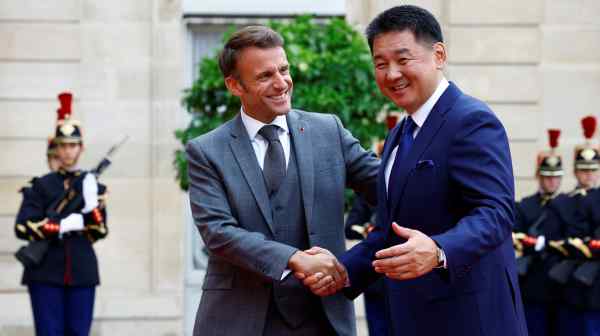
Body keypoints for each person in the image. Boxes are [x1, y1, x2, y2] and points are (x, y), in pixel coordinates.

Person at [302, 5, 527, 335]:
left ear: (438, 55)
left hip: (470, 318)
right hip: (412, 318)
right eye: (381, 64)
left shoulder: (471, 120)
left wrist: (439, 251)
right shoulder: (399, 134)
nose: (391, 74)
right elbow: (392, 230)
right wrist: (343, 271)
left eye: (403, 59)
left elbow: (495, 213)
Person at [185, 26, 379, 336]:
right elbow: (218, 232)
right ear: (235, 85)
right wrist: (294, 259)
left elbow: (388, 187)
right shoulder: (207, 150)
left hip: (323, 318)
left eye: (284, 69)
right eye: (265, 76)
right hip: (239, 319)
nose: (281, 83)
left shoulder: (328, 130)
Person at [14, 92, 108, 336]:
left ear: (81, 148)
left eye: (73, 145)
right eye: (63, 146)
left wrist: (90, 205)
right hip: (45, 271)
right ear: (56, 148)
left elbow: (100, 231)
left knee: (78, 332)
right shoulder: (40, 185)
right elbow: (22, 226)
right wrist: (61, 225)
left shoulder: (92, 186)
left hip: (82, 270)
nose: (68, 151)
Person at [545, 116, 600, 336]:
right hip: (568, 291)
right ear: (576, 171)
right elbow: (553, 242)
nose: (588, 174)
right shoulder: (562, 202)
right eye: (584, 169)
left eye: (593, 169)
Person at [512, 129, 565, 336]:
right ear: (538, 176)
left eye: (555, 177)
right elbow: (514, 238)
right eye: (547, 176)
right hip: (533, 285)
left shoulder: (569, 204)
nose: (552, 181)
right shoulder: (526, 206)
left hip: (561, 288)